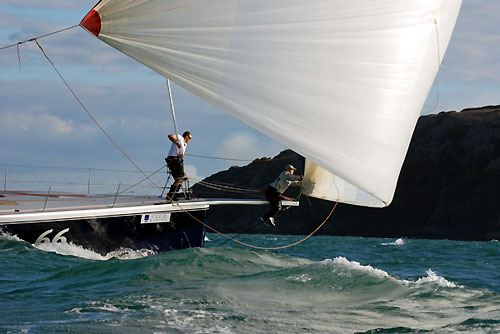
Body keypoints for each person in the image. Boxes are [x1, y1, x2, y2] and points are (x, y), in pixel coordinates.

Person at [165, 131, 192, 200]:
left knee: (182, 177)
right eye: (189, 138)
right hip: (172, 160)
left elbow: (180, 155)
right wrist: (177, 143)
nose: (189, 140)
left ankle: (175, 193)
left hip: (177, 160)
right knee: (179, 177)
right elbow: (170, 136)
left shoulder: (185, 145)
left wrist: (181, 155)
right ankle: (170, 195)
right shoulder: (180, 138)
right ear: (186, 136)